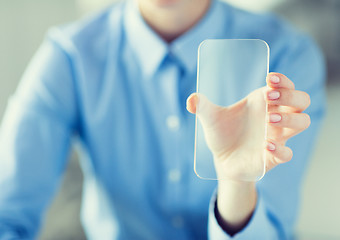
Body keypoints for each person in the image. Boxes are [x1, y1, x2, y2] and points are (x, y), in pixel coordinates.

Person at [0, 0, 325, 239]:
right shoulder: (69, 56)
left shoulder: (287, 55)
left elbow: (272, 228)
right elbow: (7, 213)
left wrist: (236, 182)